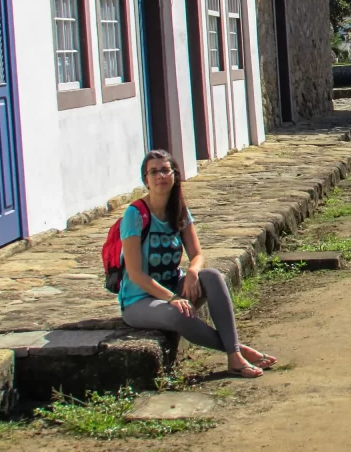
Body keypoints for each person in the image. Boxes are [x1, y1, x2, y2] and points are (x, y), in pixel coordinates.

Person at [119, 150, 277, 378]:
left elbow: (197, 254)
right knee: (178, 315)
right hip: (139, 301)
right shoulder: (134, 215)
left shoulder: (179, 211)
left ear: (175, 175)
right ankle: (236, 352)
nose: (160, 176)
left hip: (174, 288)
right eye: (153, 172)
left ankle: (234, 355)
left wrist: (193, 271)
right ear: (146, 180)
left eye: (165, 170)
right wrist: (172, 298)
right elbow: (135, 274)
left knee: (211, 276)